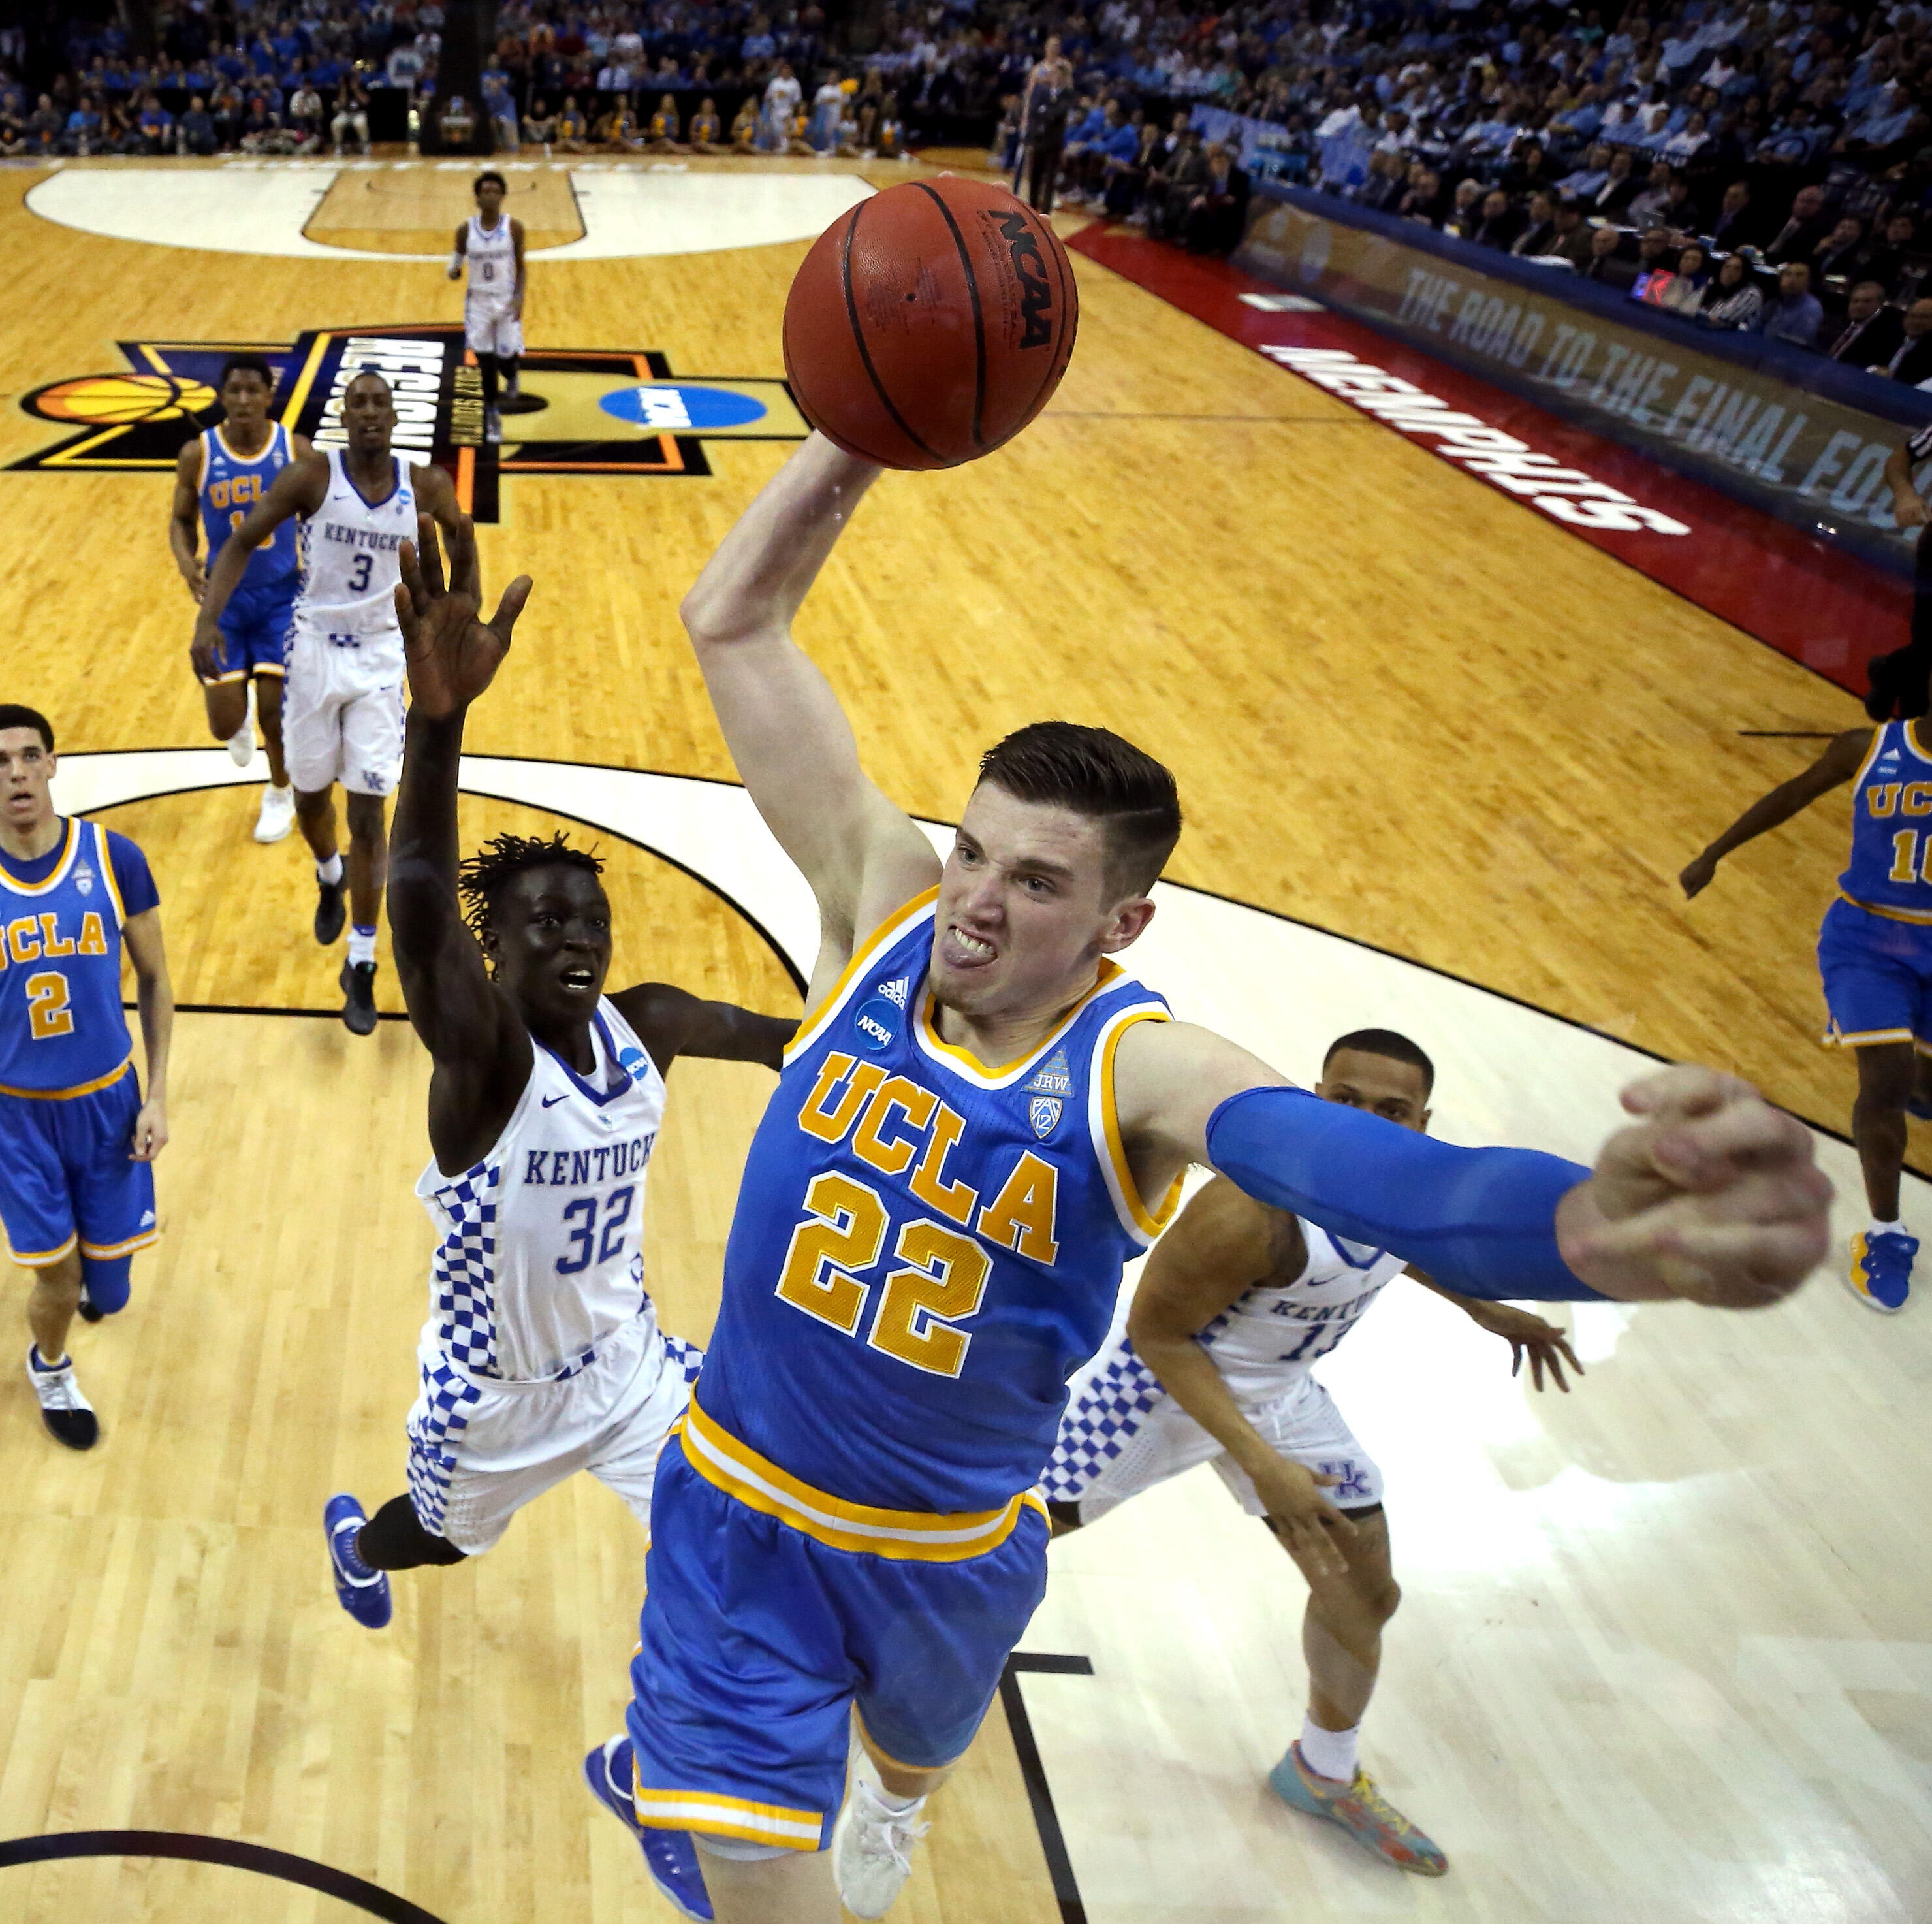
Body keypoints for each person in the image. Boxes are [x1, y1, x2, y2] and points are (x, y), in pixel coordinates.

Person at [584, 435, 1828, 1924]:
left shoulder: (1146, 1070)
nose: (975, 901)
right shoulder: (881, 907)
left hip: (951, 1548)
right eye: (973, 849)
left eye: (1034, 881)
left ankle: (896, 1799)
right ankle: (761, 1802)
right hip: (735, 1510)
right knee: (757, 1882)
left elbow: (1372, 1172)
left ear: (1123, 920)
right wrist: (856, 433)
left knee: (913, 1744)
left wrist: (1582, 1225)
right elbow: (728, 619)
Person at [323, 518, 790, 1630]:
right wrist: (440, 729)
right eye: (546, 921)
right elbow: (423, 899)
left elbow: (793, 1036)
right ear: (499, 954)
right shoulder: (485, 1064)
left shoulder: (652, 1023)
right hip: (493, 1400)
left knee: (734, 1539)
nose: (577, 936)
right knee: (433, 1539)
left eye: (591, 918)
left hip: (626, 1366)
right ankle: (358, 1545)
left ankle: (671, 1744)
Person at [1041, 1029, 1582, 1876]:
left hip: (1279, 1393)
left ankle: (1319, 1771)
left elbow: (1402, 1243)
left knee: (1364, 1595)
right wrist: (1261, 1464)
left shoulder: (1409, 1182)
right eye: (1346, 1102)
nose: (1366, 1122)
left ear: (1421, 1121)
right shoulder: (1247, 1207)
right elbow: (1156, 1332)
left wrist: (1486, 1307)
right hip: (1154, 1390)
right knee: (996, 1536)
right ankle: (828, 1632)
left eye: (1391, 1110)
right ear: (1314, 1095)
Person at [0, 706, 174, 1449]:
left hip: (107, 1105)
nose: (17, 771)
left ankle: (89, 1291)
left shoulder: (116, 859)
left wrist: (159, 1093)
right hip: (17, 1116)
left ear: (52, 766)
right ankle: (50, 1367)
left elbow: (155, 978)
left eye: (29, 756)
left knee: (108, 1288)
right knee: (58, 1278)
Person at [1680, 520, 1932, 1315]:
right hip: (1867, 938)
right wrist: (1715, 851)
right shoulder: (1868, 748)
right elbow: (1789, 795)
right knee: (1884, 1077)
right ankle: (1885, 1233)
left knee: (1914, 1083)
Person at [196, 370, 472, 1034]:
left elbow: (464, 538)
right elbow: (239, 541)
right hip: (314, 651)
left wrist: (467, 612)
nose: (370, 413)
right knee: (312, 798)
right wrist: (207, 620)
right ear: (343, 417)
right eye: (359, 404)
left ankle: (363, 963)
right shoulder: (311, 477)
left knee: (371, 815)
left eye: (381, 403)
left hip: (381, 657)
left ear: (394, 417)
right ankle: (328, 873)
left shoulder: (426, 484)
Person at [169, 352, 300, 843]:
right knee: (225, 727)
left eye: (253, 390)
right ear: (222, 397)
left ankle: (280, 792)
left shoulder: (295, 450)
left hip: (280, 599)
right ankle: (237, 718)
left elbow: (323, 513)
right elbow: (181, 520)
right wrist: (187, 563)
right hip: (223, 602)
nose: (243, 400)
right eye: (234, 391)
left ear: (269, 396)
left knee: (276, 712)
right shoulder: (198, 454)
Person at [449, 170, 528, 441]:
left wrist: (519, 297)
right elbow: (457, 257)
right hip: (479, 303)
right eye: (486, 191)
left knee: (506, 357)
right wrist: (454, 270)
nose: (491, 196)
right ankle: (492, 413)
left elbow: (522, 267)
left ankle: (513, 372)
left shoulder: (514, 228)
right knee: (485, 362)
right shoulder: (465, 230)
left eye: (496, 191)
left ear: (503, 197)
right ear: (477, 198)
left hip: (506, 299)